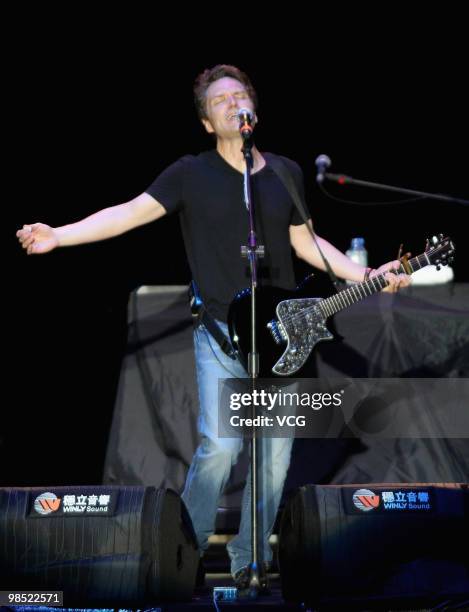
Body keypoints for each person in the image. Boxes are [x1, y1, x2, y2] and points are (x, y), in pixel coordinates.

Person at [16, 64, 410, 594]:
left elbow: (308, 245)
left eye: (241, 95)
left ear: (254, 110)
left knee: (272, 461)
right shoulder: (189, 173)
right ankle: (183, 552)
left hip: (281, 345)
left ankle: (250, 563)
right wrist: (59, 235)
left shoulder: (286, 172)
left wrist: (368, 275)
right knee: (220, 449)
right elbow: (128, 213)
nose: (233, 103)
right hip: (222, 337)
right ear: (207, 121)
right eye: (221, 99)